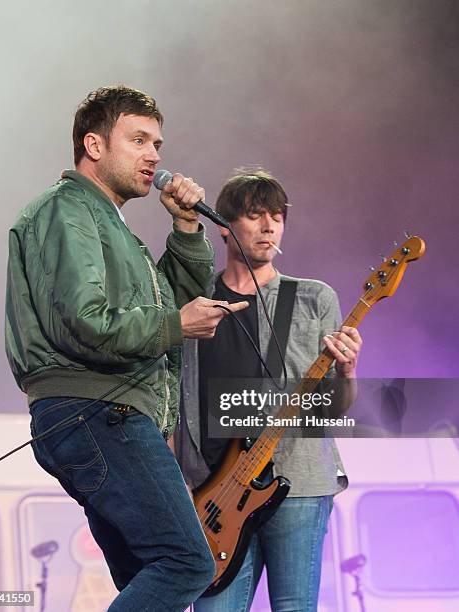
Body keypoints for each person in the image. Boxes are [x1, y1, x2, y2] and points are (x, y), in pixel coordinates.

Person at [5, 86, 249, 612]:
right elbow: (86, 322)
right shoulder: (68, 211)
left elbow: (166, 307)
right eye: (138, 140)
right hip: (97, 412)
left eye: (157, 143)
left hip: (98, 415)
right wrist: (174, 325)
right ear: (94, 145)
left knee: (149, 574)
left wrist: (186, 227)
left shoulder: (110, 226)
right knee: (186, 562)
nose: (155, 156)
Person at [174, 169, 363, 612]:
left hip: (297, 485)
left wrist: (349, 371)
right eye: (255, 216)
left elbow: (331, 412)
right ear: (225, 226)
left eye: (277, 216)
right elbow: (172, 397)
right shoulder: (194, 301)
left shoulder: (314, 297)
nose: (269, 226)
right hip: (212, 491)